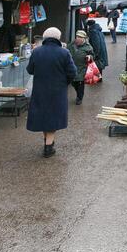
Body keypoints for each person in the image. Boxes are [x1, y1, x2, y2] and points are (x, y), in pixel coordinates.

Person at [27, 27, 77, 157]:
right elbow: (73, 72)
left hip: (40, 89)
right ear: (58, 38)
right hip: (58, 90)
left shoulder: (36, 52)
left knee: (43, 115)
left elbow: (30, 70)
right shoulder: (64, 53)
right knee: (53, 116)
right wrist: (65, 82)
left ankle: (48, 141)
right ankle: (48, 146)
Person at [67, 30, 94, 105]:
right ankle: (78, 92)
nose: (78, 38)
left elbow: (92, 55)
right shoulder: (71, 45)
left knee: (80, 83)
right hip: (72, 67)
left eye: (80, 37)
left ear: (84, 38)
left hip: (82, 68)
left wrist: (90, 57)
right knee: (74, 83)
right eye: (77, 37)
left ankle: (79, 97)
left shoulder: (88, 47)